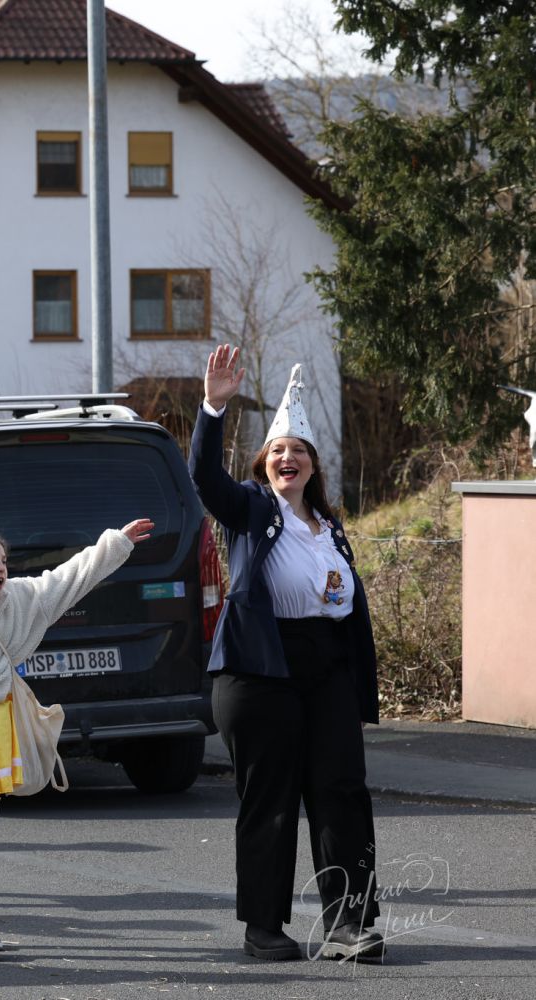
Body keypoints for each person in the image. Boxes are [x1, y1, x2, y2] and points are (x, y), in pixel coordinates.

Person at [191, 345, 383, 963]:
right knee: (269, 801)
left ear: (313, 465)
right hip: (261, 668)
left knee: (341, 792)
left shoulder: (330, 527)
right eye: (277, 450)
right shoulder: (251, 510)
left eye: (298, 450)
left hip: (327, 668)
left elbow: (346, 607)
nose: (287, 458)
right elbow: (205, 479)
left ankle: (350, 925)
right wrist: (213, 408)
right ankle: (264, 928)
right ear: (264, 464)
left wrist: (357, 688)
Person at [0, 519, 150, 956]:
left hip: (1, 717)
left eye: (4, 560)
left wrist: (116, 543)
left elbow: (69, 578)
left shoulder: (20, 598)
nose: (1, 568)